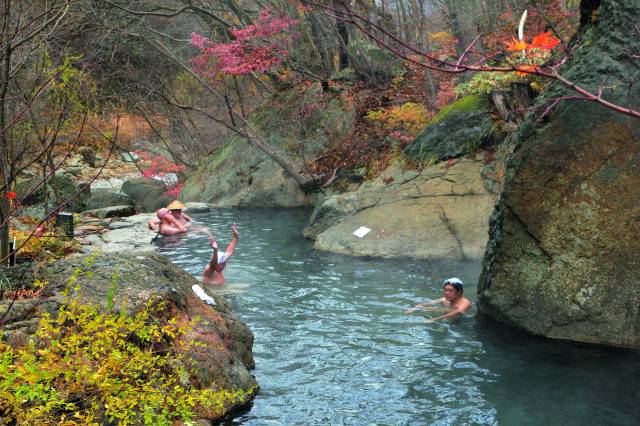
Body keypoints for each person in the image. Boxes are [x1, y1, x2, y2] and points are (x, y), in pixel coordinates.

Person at [405, 277, 472, 323]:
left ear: (459, 292)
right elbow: (428, 303)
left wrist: (435, 319)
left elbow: (457, 312)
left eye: (451, 290)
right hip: (447, 318)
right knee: (433, 309)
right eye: (445, 290)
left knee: (449, 310)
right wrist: (414, 308)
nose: (447, 293)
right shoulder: (444, 300)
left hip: (460, 323)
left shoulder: (465, 303)